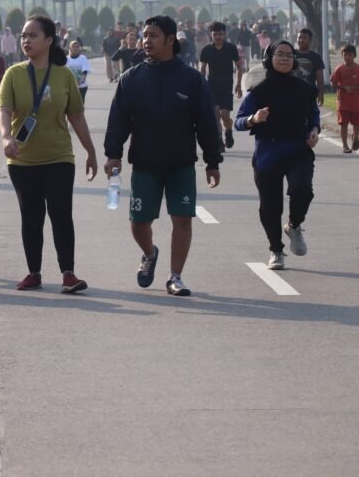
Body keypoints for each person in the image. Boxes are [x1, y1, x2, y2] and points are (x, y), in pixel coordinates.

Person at [104, 16, 221, 297]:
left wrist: (212, 160)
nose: (146, 40)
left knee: (182, 219)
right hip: (145, 163)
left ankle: (175, 276)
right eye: (144, 35)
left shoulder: (191, 79)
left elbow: (206, 121)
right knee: (139, 222)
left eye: (153, 35)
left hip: (180, 163)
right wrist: (113, 154)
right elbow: (119, 119)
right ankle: (149, 252)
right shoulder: (131, 78)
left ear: (171, 40)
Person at [0, 16, 98, 292]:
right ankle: (34, 272)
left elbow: (76, 116)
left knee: (61, 214)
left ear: (49, 40)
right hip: (22, 159)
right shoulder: (14, 73)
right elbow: (3, 110)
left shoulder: (64, 74)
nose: (26, 41)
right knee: (31, 216)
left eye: (32, 36)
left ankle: (68, 273)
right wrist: (6, 137)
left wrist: (90, 151)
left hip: (59, 157)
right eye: (23, 36)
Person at [234, 41, 319, 271]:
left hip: (298, 149)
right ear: (269, 58)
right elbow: (239, 122)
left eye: (289, 55)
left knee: (302, 190)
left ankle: (294, 225)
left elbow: (313, 115)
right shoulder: (258, 91)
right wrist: (254, 118)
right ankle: (276, 250)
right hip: (268, 152)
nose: (284, 59)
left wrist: (314, 130)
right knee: (270, 206)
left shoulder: (304, 88)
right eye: (279, 54)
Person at [199, 21, 244, 151]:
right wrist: (202, 84)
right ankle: (219, 141)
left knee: (225, 115)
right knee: (215, 114)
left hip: (226, 86)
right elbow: (202, 67)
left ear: (224, 34)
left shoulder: (231, 48)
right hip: (211, 86)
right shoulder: (206, 50)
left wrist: (239, 85)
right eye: (215, 34)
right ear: (211, 35)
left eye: (220, 34)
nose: (217, 37)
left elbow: (239, 67)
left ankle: (228, 131)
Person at [330, 44, 359, 153]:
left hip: (356, 102)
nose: (347, 57)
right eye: (345, 55)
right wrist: (343, 88)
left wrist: (355, 88)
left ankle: (355, 137)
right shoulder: (339, 69)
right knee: (343, 123)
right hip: (343, 101)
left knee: (357, 123)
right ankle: (345, 146)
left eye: (349, 55)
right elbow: (333, 83)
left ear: (354, 55)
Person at [293, 28, 326, 105]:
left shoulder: (316, 57)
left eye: (304, 38)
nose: (301, 40)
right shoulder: (291, 54)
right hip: (292, 93)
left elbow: (320, 77)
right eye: (299, 38)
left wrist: (320, 94)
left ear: (310, 40)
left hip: (309, 94)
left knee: (312, 116)